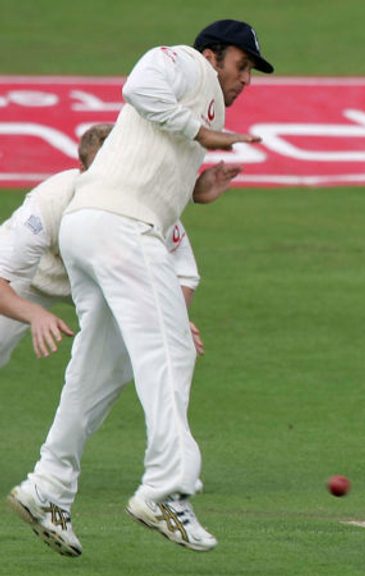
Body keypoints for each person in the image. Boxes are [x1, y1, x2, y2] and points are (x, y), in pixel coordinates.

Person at [6, 19, 273, 557]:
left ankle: (47, 486)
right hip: (118, 228)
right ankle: (166, 489)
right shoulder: (184, 62)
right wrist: (200, 133)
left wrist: (197, 188)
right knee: (170, 349)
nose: (246, 80)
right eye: (241, 66)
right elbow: (138, 86)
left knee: (101, 369)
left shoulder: (201, 100)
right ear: (212, 54)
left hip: (96, 227)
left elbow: (149, 157)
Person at [0, 124, 204, 368]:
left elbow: (182, 274)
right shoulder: (47, 204)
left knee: (107, 369)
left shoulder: (148, 204)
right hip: (34, 277)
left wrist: (172, 321)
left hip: (105, 283)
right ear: (82, 170)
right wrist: (35, 314)